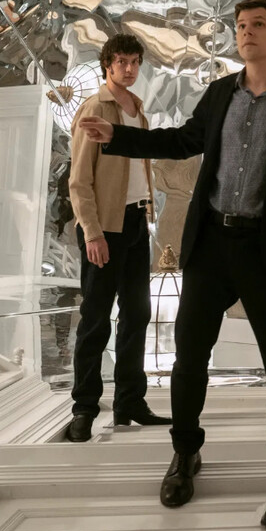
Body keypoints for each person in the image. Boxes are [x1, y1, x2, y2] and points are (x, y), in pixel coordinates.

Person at [78, 0, 266, 529]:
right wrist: (119, 136)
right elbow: (182, 141)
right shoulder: (221, 92)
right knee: (189, 359)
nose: (246, 32)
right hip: (211, 246)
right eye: (240, 26)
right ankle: (185, 453)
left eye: (258, 25)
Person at [66, 33, 170, 442]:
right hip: (103, 227)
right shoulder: (95, 108)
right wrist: (92, 232)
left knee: (137, 315)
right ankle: (84, 408)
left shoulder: (137, 109)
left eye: (134, 62)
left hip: (136, 223)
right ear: (107, 65)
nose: (129, 69)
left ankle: (130, 402)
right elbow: (79, 181)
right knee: (95, 319)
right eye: (121, 61)